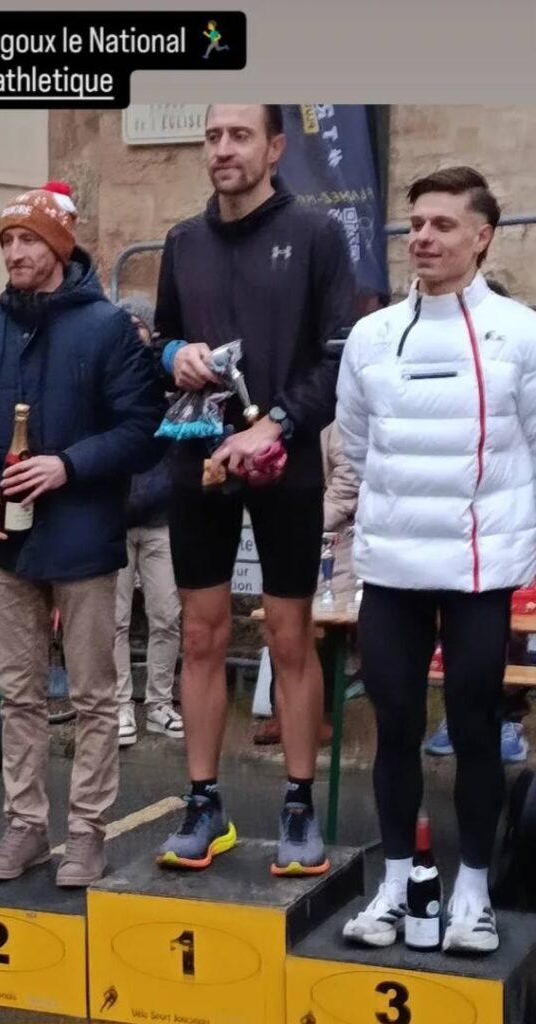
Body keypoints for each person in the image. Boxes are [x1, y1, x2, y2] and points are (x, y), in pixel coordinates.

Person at [152, 104, 358, 876]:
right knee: (201, 633)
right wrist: (172, 354)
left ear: (274, 148)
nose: (222, 150)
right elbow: (160, 342)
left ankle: (297, 803)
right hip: (195, 459)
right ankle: (203, 805)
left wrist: (272, 425)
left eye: (238, 135)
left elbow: (336, 358)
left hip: (285, 463)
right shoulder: (181, 242)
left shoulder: (315, 235)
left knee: (286, 634)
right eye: (211, 136)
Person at [0, 181, 163, 888]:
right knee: (18, 693)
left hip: (84, 536)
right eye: (6, 240)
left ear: (59, 247)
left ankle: (88, 830)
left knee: (95, 694)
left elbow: (141, 431)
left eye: (28, 239)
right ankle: (25, 826)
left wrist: (66, 465)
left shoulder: (105, 328)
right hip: (4, 540)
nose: (14, 252)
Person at [337, 166, 536, 953]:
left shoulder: (520, 332)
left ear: (481, 236)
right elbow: (356, 441)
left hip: (480, 574)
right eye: (414, 223)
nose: (421, 237)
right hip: (390, 568)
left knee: (475, 727)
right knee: (391, 724)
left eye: (442, 225)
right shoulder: (372, 335)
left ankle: (474, 894)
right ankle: (395, 887)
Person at [423, 276, 531, 766]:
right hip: (453, 529)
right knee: (453, 624)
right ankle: (455, 714)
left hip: (513, 528)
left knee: (509, 626)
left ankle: (509, 719)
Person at [254, 420, 359, 745]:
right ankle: (280, 713)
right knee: (278, 626)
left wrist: (304, 524)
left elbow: (346, 483)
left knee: (323, 631)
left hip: (332, 543)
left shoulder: (336, 417)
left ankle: (321, 718)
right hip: (285, 535)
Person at [113, 294, 183, 747]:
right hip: (114, 520)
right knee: (113, 621)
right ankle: (119, 704)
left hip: (160, 518)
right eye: (126, 325)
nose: (133, 333)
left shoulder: (168, 385)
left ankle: (158, 703)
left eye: (139, 326)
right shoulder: (107, 383)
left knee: (167, 614)